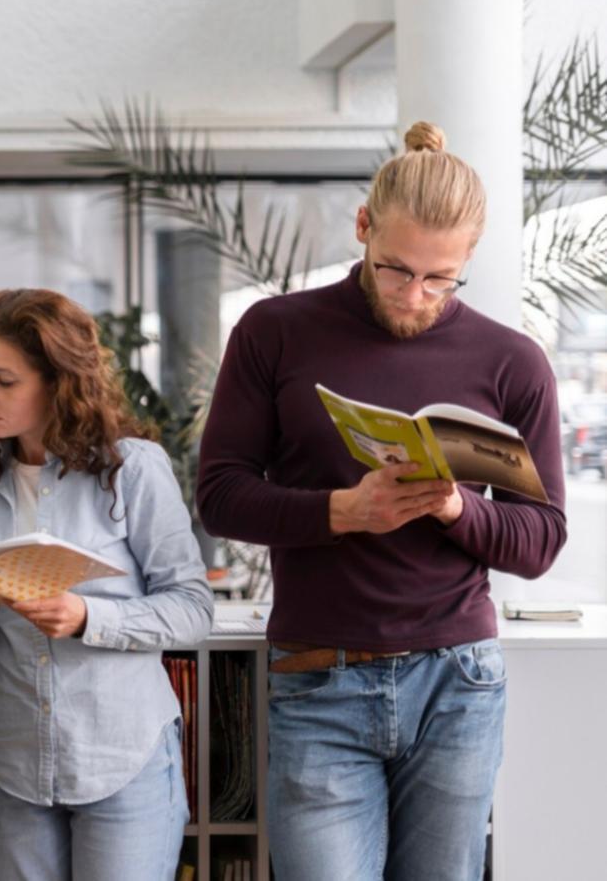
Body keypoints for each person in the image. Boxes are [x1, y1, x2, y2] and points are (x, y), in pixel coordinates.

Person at [196, 122, 568, 881]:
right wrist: (343, 512)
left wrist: (458, 509)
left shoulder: (513, 362)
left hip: (458, 683)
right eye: (396, 269)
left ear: (469, 260)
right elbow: (221, 497)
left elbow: (541, 540)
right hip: (318, 675)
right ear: (363, 228)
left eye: (440, 279)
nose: (415, 296)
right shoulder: (275, 333)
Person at [0, 288, 213, 881]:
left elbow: (192, 607)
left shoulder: (131, 468)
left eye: (4, 381)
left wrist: (89, 617)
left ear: (58, 382)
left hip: (123, 755)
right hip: (15, 761)